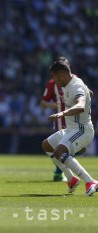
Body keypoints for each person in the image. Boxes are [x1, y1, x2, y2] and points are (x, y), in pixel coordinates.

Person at [41, 58, 98, 196]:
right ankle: (71, 178)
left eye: (54, 76)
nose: (53, 80)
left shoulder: (75, 86)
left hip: (82, 130)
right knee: (47, 145)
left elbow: (80, 105)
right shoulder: (69, 84)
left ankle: (90, 181)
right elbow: (85, 93)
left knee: (60, 151)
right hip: (71, 129)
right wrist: (87, 91)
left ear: (61, 74)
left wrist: (62, 113)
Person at [41, 77, 67, 182]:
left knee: (70, 147)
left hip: (74, 119)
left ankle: (60, 173)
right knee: (60, 146)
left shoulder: (75, 79)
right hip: (60, 120)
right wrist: (52, 105)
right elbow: (43, 102)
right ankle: (59, 173)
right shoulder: (51, 84)